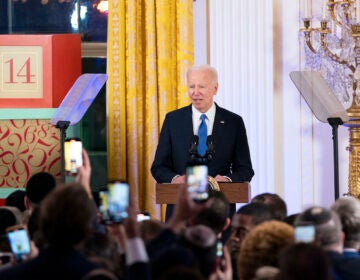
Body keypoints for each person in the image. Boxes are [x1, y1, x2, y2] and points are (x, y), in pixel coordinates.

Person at [151, 64, 254, 220]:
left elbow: (246, 169)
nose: (195, 92)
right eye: (191, 86)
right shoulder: (173, 120)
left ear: (215, 88)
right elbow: (158, 167)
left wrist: (226, 180)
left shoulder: (234, 122)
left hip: (219, 214)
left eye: (202, 87)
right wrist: (175, 179)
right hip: (181, 214)